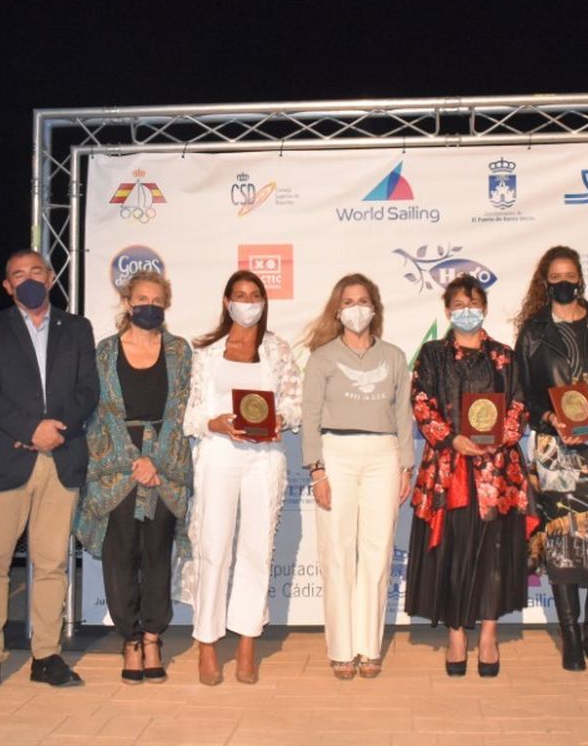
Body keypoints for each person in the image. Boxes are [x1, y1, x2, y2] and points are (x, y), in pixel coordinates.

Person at [0, 250, 98, 691]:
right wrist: (30, 429)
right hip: (8, 459)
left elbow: (87, 390)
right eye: (17, 275)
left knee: (51, 563)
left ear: (51, 276)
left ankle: (47, 654)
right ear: (6, 286)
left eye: (36, 272)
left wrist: (55, 431)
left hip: (60, 459)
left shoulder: (76, 328)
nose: (28, 280)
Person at [512, 245, 588, 672]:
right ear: (545, 283)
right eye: (555, 276)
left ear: (581, 278)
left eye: (570, 274)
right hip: (553, 448)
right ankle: (570, 638)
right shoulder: (532, 331)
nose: (563, 282)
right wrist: (547, 416)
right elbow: (521, 396)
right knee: (561, 541)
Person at [180, 270, 301, 686]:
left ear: (264, 302)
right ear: (226, 300)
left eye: (255, 295)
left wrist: (278, 418)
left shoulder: (277, 350)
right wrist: (214, 422)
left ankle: (248, 640)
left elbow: (295, 406)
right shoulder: (207, 353)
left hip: (264, 459)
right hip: (218, 457)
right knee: (213, 549)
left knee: (256, 550)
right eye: (240, 295)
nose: (247, 302)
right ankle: (208, 643)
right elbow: (190, 416)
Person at [406, 275, 529, 678]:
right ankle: (456, 633)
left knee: (494, 555)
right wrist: (452, 439)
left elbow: (518, 406)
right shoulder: (432, 355)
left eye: (474, 304)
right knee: (455, 553)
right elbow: (421, 402)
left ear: (485, 309)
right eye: (459, 304)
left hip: (498, 473)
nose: (466, 311)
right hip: (449, 469)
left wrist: (500, 439)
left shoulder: (505, 356)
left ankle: (490, 635)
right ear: (447, 310)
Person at [74, 271, 192, 684]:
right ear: (127, 303)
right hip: (116, 468)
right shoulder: (104, 353)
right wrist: (132, 462)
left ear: (166, 304)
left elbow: (179, 412)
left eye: (158, 300)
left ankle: (154, 636)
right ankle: (129, 640)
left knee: (158, 552)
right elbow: (101, 413)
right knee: (121, 554)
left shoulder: (179, 351)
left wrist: (154, 462)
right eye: (142, 298)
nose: (150, 306)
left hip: (164, 468)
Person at [300, 273, 414, 680]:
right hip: (337, 455)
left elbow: (403, 416)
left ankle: (369, 646)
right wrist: (317, 471)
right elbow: (309, 417)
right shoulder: (322, 358)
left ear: (375, 308)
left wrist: (405, 466)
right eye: (348, 301)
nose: (356, 308)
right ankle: (342, 648)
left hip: (384, 456)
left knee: (377, 552)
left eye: (363, 300)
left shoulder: (395, 357)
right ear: (338, 309)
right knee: (337, 553)